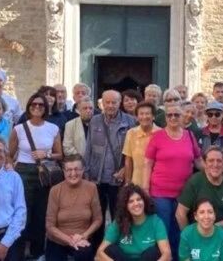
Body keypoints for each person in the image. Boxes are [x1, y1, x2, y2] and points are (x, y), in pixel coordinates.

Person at [9, 93, 63, 258]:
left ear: (46, 108)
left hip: (45, 173)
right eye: (34, 104)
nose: (37, 107)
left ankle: (37, 252)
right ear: (29, 107)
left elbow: (60, 154)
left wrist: (45, 153)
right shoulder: (19, 128)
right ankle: (18, 252)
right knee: (22, 213)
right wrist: (10, 168)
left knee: (41, 213)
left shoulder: (53, 128)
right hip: (23, 172)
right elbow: (9, 154)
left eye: (41, 105)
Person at [145, 103, 203, 257]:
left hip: (184, 193)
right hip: (160, 192)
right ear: (165, 118)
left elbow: (198, 161)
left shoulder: (189, 136)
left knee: (180, 229)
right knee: (163, 229)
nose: (173, 118)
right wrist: (145, 188)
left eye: (176, 115)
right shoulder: (157, 137)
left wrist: (214, 173)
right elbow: (148, 163)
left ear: (182, 116)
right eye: (169, 115)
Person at [84, 90, 136, 248]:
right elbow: (89, 148)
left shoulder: (130, 121)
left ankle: (116, 248)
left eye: (114, 102)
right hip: (96, 177)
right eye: (107, 102)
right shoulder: (95, 120)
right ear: (102, 103)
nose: (111, 105)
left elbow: (133, 151)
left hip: (117, 178)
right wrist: (86, 172)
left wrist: (125, 170)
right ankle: (96, 248)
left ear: (119, 103)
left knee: (118, 214)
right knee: (96, 214)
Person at [176, 147, 223, 258]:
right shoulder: (195, 181)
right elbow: (180, 213)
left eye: (219, 161)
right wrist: (190, 236)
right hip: (199, 231)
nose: (215, 164)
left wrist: (215, 227)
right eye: (211, 161)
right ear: (204, 163)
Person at [45, 154, 102, 261]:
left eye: (77, 169)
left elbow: (98, 219)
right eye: (69, 170)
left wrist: (84, 235)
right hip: (58, 240)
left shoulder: (91, 188)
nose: (73, 173)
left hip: (82, 238)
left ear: (83, 169)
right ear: (63, 171)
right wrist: (70, 240)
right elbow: (49, 225)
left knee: (84, 254)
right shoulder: (55, 190)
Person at [96, 184, 171, 261]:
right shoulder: (119, 222)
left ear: (144, 201)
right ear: (125, 206)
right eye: (131, 201)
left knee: (153, 252)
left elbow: (167, 254)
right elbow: (99, 254)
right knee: (110, 250)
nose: (136, 204)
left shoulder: (155, 222)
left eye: (139, 199)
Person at [123, 101, 160, 188]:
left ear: (153, 116)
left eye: (147, 114)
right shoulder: (131, 133)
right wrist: (128, 183)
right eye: (141, 114)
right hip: (137, 184)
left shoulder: (161, 133)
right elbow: (128, 160)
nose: (144, 117)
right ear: (136, 117)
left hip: (157, 184)